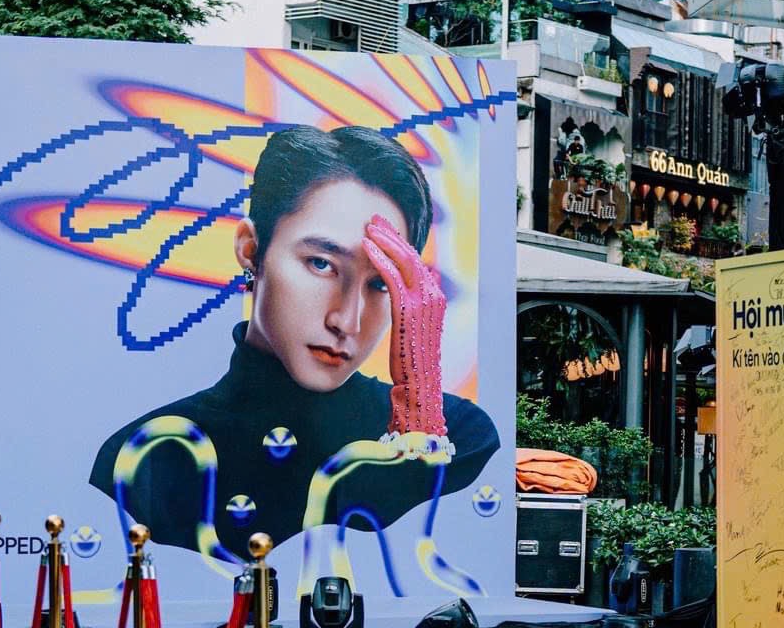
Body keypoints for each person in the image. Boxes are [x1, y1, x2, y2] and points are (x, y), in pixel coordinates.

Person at [90, 125, 499, 559]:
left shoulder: (466, 438)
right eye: (321, 263)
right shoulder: (148, 456)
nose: (347, 319)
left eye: (381, 283)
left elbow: (415, 559)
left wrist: (419, 408)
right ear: (251, 250)